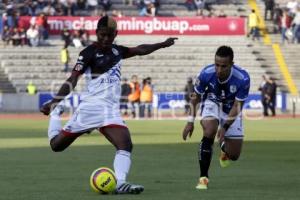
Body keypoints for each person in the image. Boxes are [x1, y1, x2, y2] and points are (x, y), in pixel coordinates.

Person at [40, 16, 177, 194]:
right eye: (102, 35)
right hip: (90, 108)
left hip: (110, 110)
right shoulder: (87, 53)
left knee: (125, 144)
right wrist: (54, 102)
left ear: (115, 34)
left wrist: (162, 44)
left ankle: (120, 183)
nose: (106, 39)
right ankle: (56, 113)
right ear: (97, 33)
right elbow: (73, 79)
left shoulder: (118, 51)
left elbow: (140, 49)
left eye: (110, 35)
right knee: (56, 146)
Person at [182, 46, 250, 190]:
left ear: (232, 64)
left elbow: (238, 105)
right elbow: (195, 97)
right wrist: (190, 121)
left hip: (231, 109)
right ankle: (203, 178)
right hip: (212, 102)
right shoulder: (206, 73)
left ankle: (224, 151)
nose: (219, 70)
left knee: (234, 155)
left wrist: (225, 127)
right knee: (209, 131)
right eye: (216, 65)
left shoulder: (242, 78)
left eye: (223, 66)